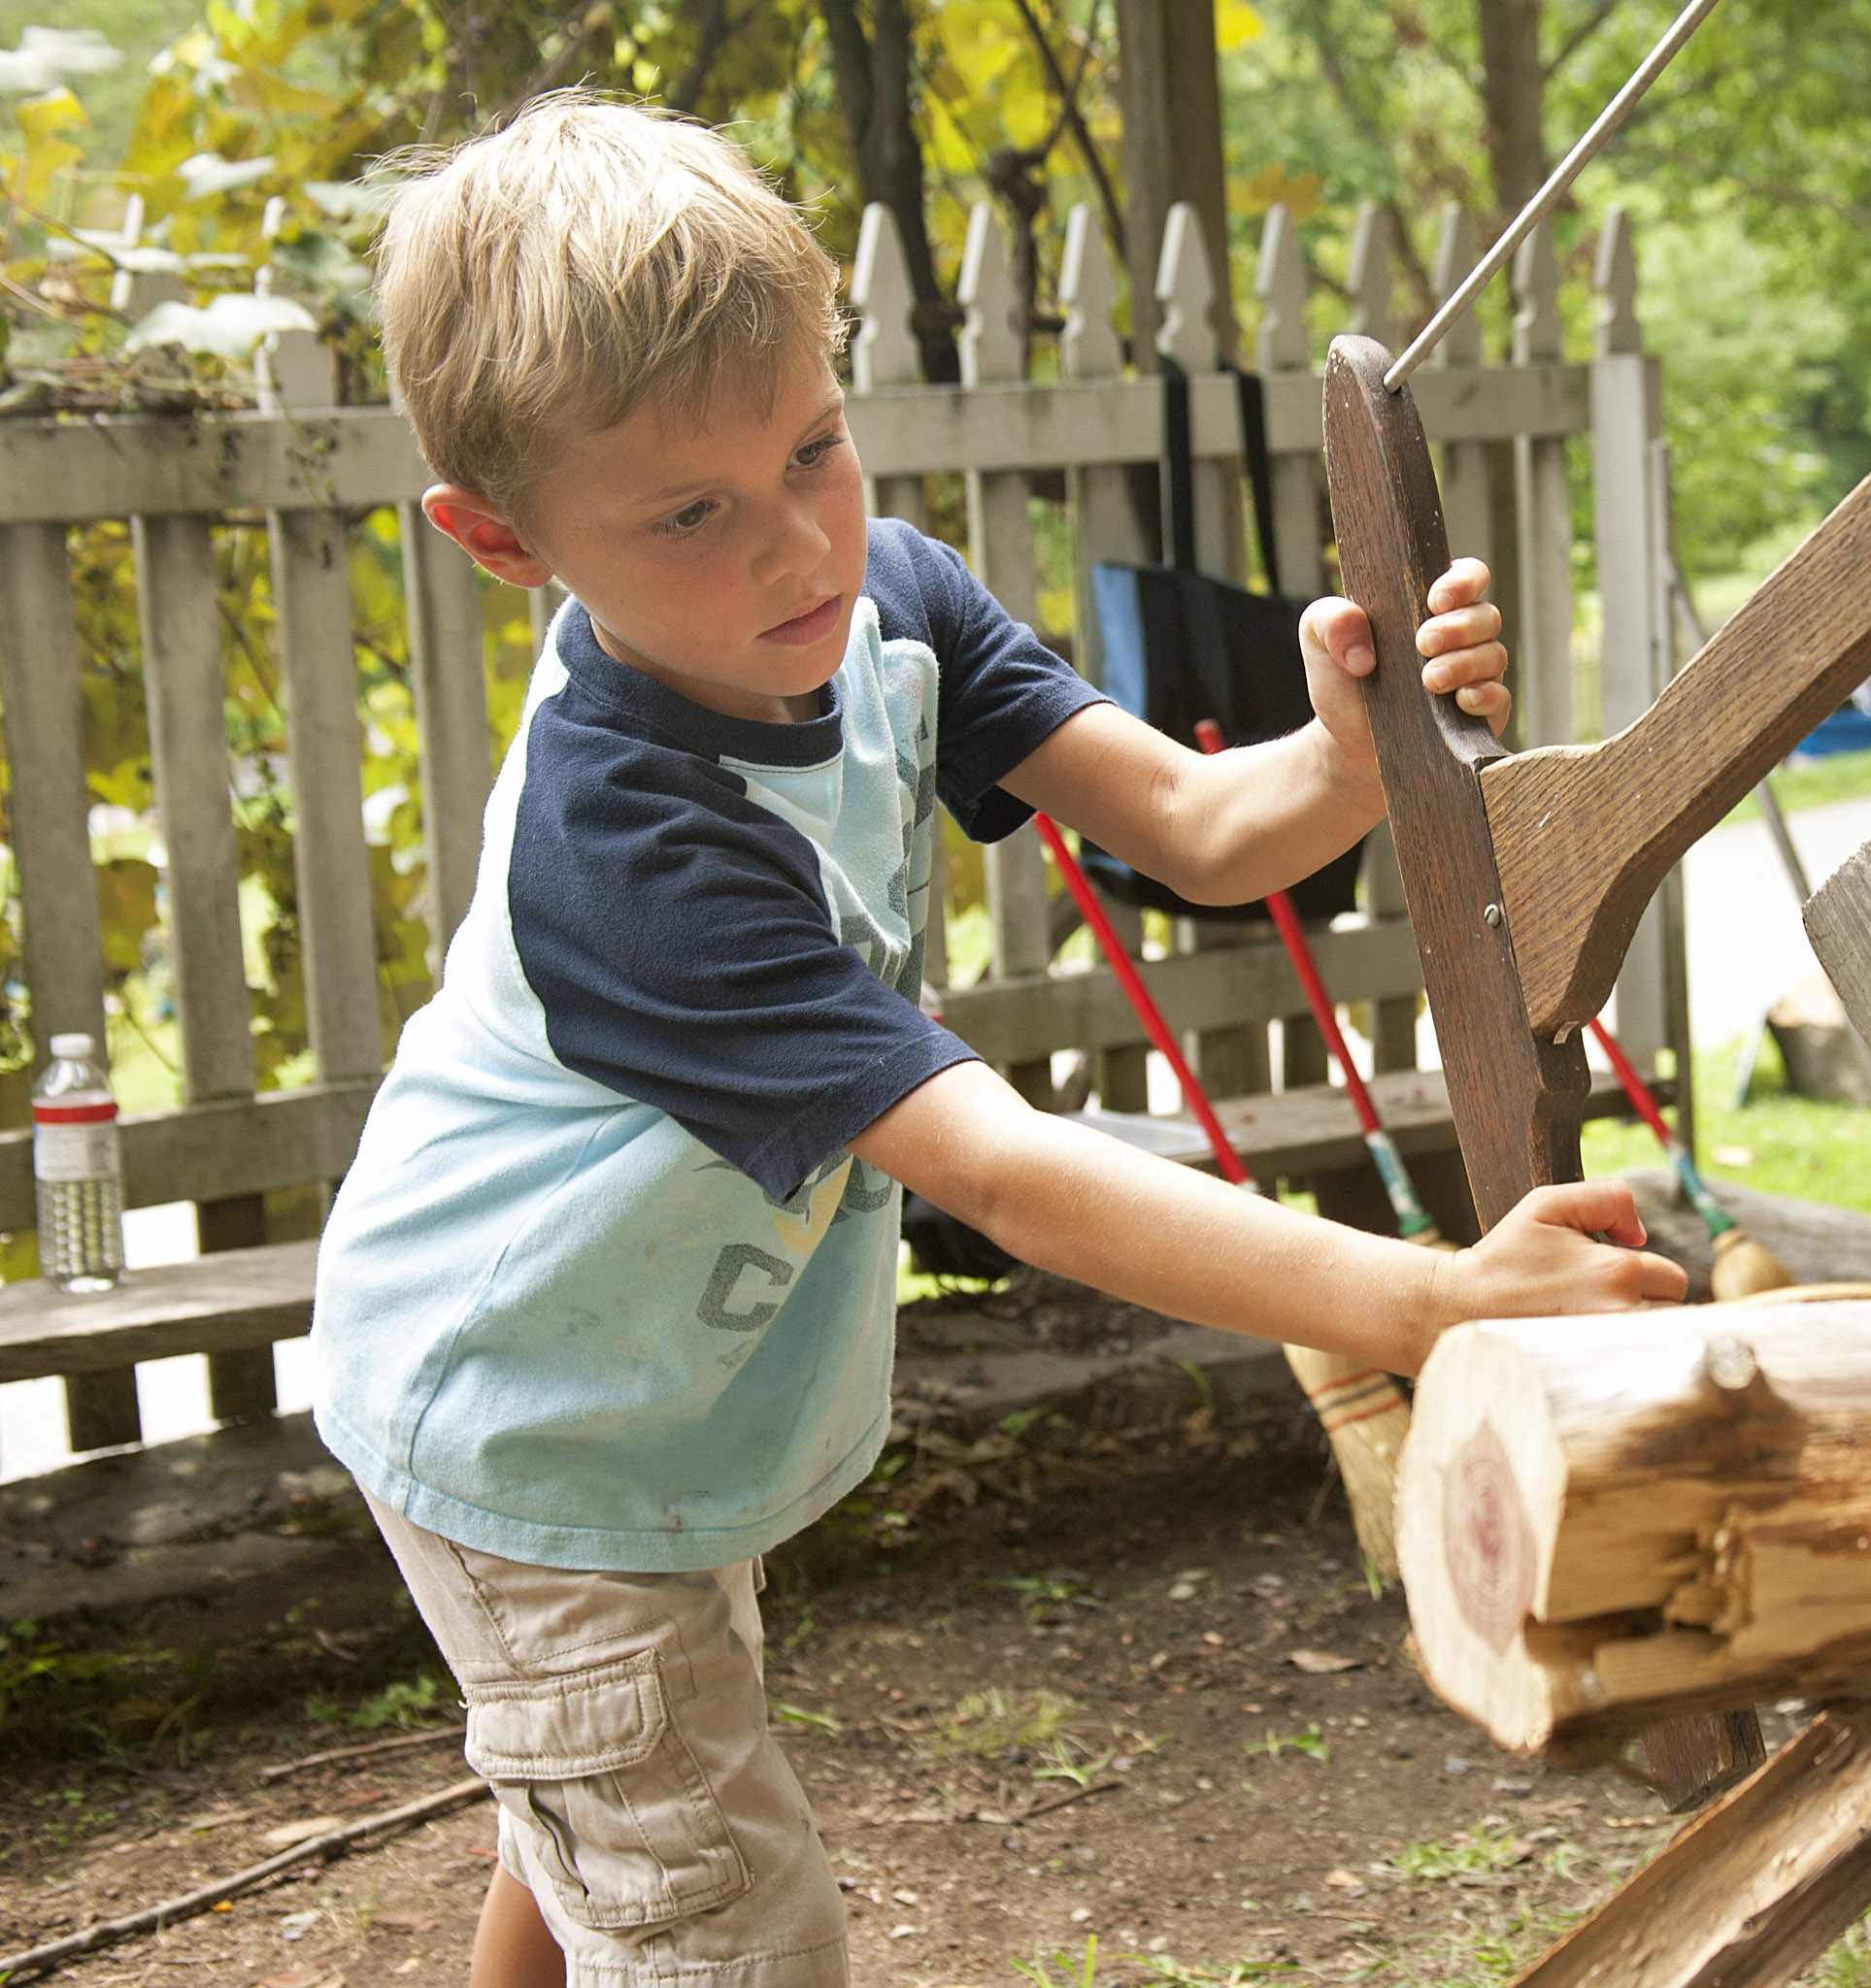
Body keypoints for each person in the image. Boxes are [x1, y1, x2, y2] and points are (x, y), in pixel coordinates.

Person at [313, 95, 1686, 1988]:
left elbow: (1205, 830)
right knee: (721, 1912)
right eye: (693, 512)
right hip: (525, 1411)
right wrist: (1432, 1304)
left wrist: (1354, 744)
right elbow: (999, 1167)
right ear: (501, 539)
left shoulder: (885, 607)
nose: (797, 545)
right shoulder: (630, 846)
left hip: (646, 1406)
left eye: (815, 446)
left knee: (599, 1812)